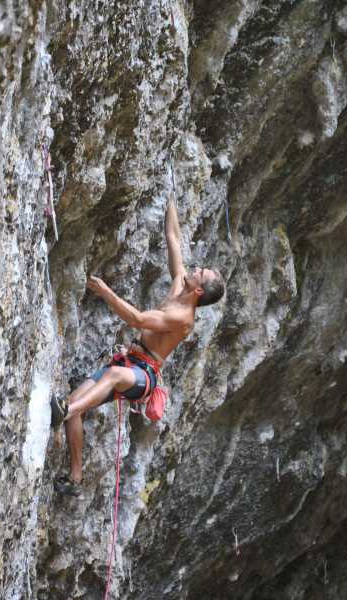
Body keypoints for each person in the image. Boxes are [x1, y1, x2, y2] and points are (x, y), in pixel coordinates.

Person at [51, 196, 225, 496]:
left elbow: (138, 319)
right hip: (130, 360)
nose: (195, 268)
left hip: (144, 375)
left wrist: (106, 292)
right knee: (80, 402)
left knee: (110, 379)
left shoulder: (182, 318)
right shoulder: (179, 285)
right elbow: (173, 236)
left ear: (198, 290)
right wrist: (172, 197)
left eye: (200, 272)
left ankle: (65, 410)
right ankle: (76, 477)